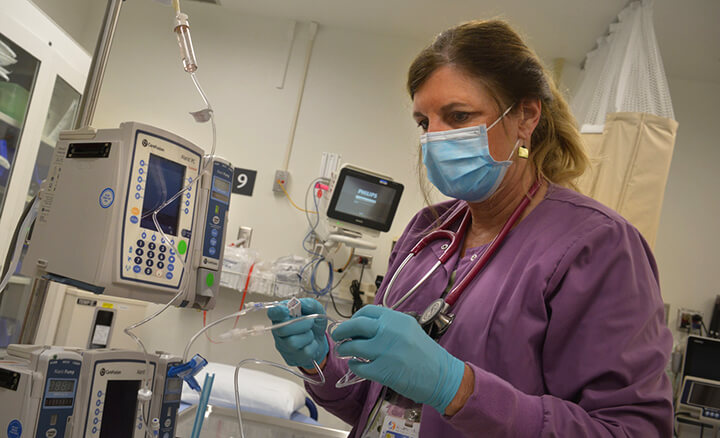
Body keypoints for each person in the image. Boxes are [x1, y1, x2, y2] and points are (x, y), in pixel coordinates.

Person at [268, 19, 673, 437]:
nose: (435, 139)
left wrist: (455, 388)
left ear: (526, 117)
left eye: (458, 116)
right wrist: (320, 361)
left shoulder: (597, 246)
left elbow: (630, 431)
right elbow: (380, 404)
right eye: (424, 123)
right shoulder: (426, 232)